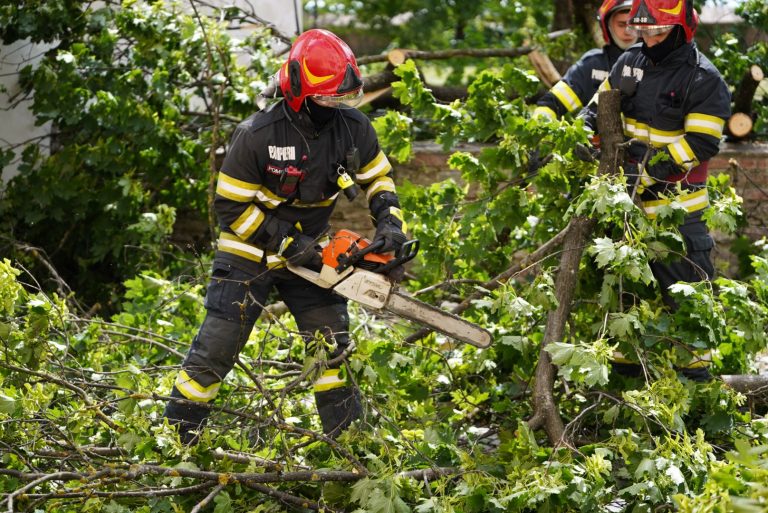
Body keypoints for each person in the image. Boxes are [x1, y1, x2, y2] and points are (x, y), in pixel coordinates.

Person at [163, 29, 407, 443]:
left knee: (331, 353)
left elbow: (378, 179)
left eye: (343, 99)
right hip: (247, 254)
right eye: (328, 99)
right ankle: (173, 442)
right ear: (298, 93)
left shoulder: (353, 128)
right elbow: (230, 207)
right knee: (214, 352)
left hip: (310, 255)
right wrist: (286, 243)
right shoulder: (258, 134)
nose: (337, 107)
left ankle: (350, 449)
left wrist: (389, 224)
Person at [578, 0, 731, 381]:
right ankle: (626, 389)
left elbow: (699, 144)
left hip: (675, 216)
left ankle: (697, 388)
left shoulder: (703, 79)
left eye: (658, 32)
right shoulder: (630, 61)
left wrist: (642, 177)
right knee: (626, 304)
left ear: (683, 28)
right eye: (643, 32)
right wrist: (581, 134)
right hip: (626, 214)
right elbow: (599, 108)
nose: (648, 39)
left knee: (687, 303)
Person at [533, 0, 638, 121]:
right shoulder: (592, 65)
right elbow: (552, 103)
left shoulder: (654, 63)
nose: (628, 31)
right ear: (608, 26)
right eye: (621, 24)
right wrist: (539, 126)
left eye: (633, 24)